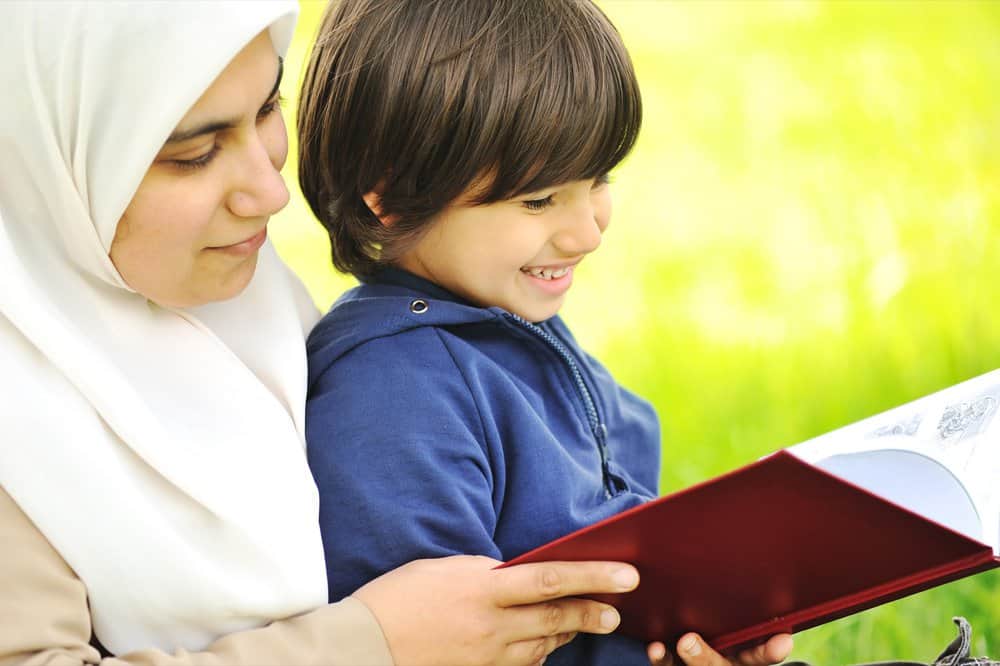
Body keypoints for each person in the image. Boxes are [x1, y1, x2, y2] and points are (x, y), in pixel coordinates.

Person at [0, 2, 661, 664]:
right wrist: (375, 645)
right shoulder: (390, 382)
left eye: (267, 108)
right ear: (46, 157)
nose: (271, 191)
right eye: (195, 154)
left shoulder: (256, 309)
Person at [297, 1, 792, 665]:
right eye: (538, 200)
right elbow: (441, 642)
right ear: (387, 196)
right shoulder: (391, 398)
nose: (587, 231)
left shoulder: (501, 324)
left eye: (599, 179)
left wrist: (699, 619)